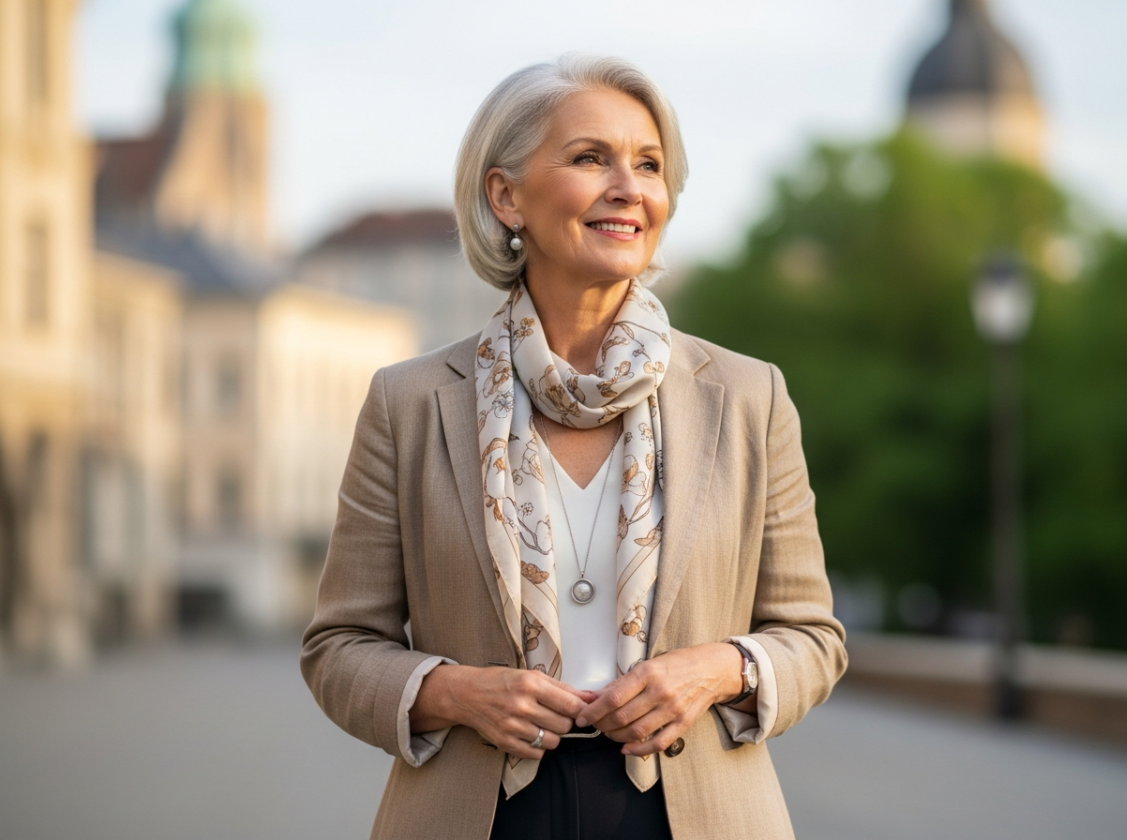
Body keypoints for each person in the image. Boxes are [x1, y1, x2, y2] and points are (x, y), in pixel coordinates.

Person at [301, 54, 846, 840]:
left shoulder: (749, 397)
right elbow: (337, 649)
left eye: (650, 165)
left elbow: (813, 639)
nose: (629, 186)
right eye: (591, 158)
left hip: (696, 814)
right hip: (479, 814)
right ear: (506, 195)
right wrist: (455, 692)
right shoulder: (410, 403)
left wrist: (715, 670)